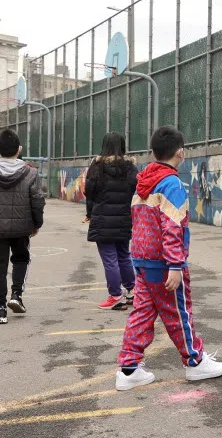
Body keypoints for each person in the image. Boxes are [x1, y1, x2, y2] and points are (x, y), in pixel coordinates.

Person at [116, 126, 222, 391]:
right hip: (164, 264)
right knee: (179, 314)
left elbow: (139, 221)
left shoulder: (143, 182)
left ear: (153, 152)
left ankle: (129, 368)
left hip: (142, 260)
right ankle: (194, 361)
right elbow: (173, 226)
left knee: (142, 314)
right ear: (181, 153)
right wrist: (176, 264)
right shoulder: (172, 183)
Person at [0, 129, 45, 324]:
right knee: (21, 259)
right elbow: (38, 200)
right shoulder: (31, 172)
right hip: (22, 227)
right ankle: (16, 295)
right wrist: (37, 223)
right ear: (19, 149)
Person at [85, 133, 138, 311]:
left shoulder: (97, 166)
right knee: (124, 255)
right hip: (124, 217)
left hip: (102, 218)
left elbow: (89, 191)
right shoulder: (130, 167)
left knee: (110, 259)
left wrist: (89, 213)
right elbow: (135, 190)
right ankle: (132, 291)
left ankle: (116, 295)